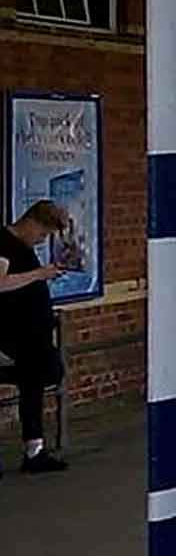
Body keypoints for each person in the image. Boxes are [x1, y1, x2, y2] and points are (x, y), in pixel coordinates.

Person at [0, 201, 71, 476]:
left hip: (29, 336)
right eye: (42, 234)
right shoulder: (4, 243)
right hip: (11, 337)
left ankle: (35, 449)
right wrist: (40, 274)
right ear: (31, 223)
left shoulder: (22, 248)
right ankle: (34, 450)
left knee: (39, 377)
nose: (41, 240)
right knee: (39, 374)